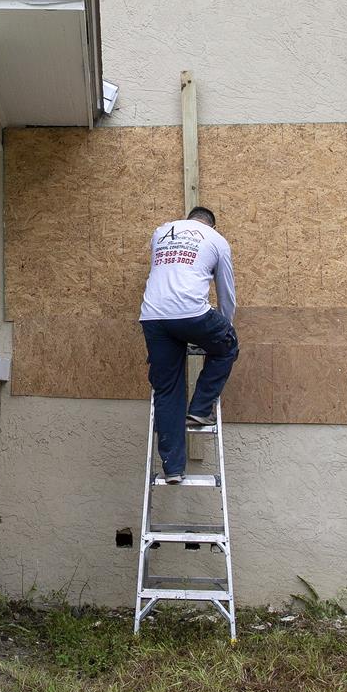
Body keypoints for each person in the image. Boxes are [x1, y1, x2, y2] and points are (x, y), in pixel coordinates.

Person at [137, 206, 238, 484]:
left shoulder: (161, 232)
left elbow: (166, 272)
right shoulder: (216, 240)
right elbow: (226, 291)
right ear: (212, 226)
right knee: (227, 347)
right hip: (192, 313)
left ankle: (173, 468)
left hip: (154, 316)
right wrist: (226, 326)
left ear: (188, 219)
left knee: (167, 387)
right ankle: (200, 409)